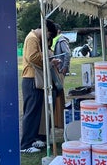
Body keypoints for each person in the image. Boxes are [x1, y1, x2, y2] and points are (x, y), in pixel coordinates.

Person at [20, 19, 58, 153]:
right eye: (49, 35)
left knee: (36, 112)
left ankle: (32, 139)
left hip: (34, 79)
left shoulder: (35, 38)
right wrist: (48, 56)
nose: (48, 38)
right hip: (31, 79)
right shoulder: (32, 38)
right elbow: (32, 57)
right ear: (45, 29)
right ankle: (25, 145)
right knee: (31, 112)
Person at [51, 25, 71, 129]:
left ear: (58, 31)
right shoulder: (56, 40)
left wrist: (64, 67)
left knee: (59, 93)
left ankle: (60, 120)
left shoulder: (61, 40)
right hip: (56, 70)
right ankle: (57, 120)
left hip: (60, 70)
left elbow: (67, 53)